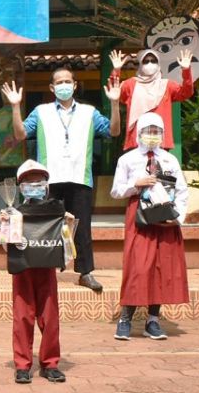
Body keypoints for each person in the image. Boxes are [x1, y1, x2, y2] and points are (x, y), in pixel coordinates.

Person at [7, 69, 122, 293]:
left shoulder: (90, 112)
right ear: (52, 88)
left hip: (80, 176)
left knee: (82, 228)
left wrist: (115, 104)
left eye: (67, 81)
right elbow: (21, 134)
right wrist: (14, 106)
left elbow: (113, 131)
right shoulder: (41, 111)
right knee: (44, 226)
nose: (63, 85)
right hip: (49, 179)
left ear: (75, 85)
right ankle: (45, 270)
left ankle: (85, 272)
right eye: (59, 82)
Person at [111, 114, 190, 341]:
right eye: (148, 130)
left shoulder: (169, 160)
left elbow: (182, 190)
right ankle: (126, 317)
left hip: (165, 216)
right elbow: (116, 191)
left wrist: (179, 217)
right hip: (140, 217)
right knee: (138, 265)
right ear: (139, 133)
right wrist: (135, 184)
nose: (152, 135)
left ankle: (153, 320)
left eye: (157, 131)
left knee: (162, 266)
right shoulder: (127, 160)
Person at [2, 160, 66, 384]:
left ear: (47, 185)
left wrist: (67, 225)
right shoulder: (14, 211)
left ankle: (50, 363)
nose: (35, 185)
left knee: (49, 316)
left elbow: (66, 242)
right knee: (22, 316)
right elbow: (4, 244)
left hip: (46, 267)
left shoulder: (56, 210)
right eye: (29, 182)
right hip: (22, 267)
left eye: (39, 181)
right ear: (20, 187)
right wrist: (6, 227)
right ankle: (22, 365)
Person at [110, 48, 194, 151]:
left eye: (153, 61)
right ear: (140, 64)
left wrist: (186, 70)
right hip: (136, 142)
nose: (150, 64)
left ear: (158, 64)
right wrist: (116, 70)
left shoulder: (167, 85)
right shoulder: (130, 84)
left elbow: (186, 92)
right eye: (146, 61)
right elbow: (113, 91)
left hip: (161, 142)